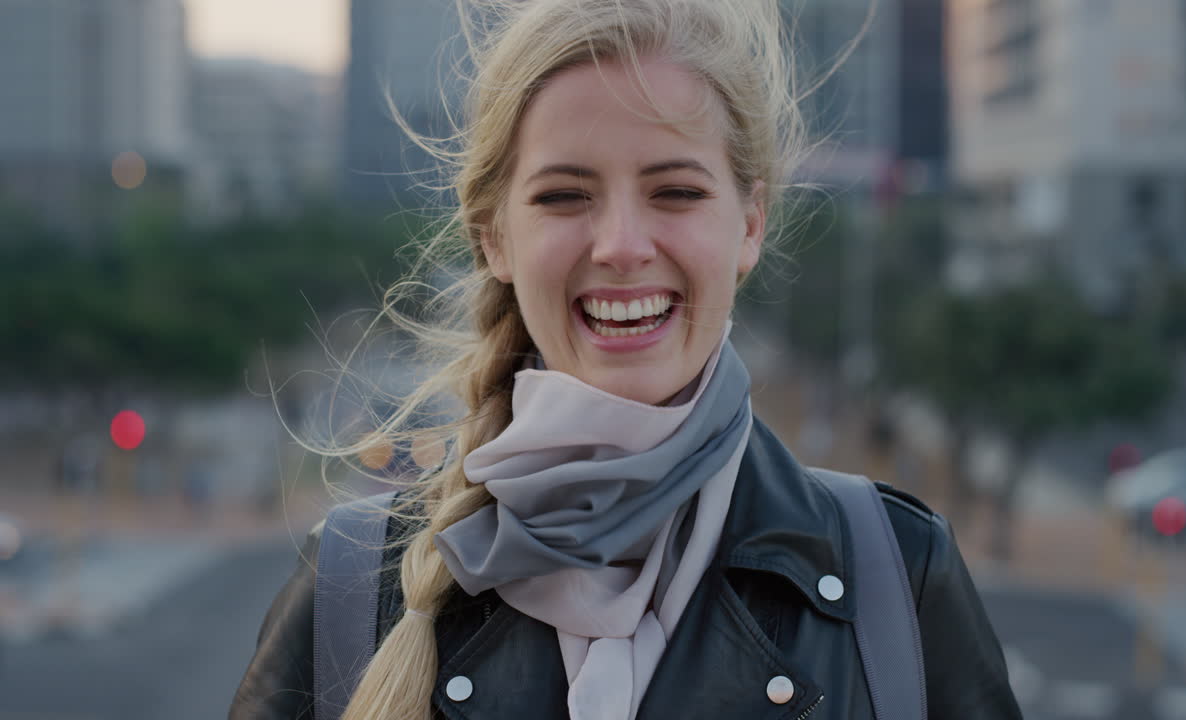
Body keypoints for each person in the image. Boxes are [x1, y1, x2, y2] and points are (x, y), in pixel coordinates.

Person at [230, 0, 1022, 718]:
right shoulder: (352, 590)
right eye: (564, 196)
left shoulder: (899, 580)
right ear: (493, 237)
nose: (620, 246)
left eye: (675, 192)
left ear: (749, 224)